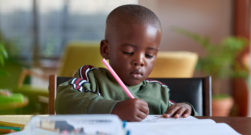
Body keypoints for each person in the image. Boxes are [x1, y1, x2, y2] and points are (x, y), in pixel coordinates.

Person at [55, 4, 197, 121]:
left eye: (149, 55)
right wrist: (114, 109)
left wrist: (186, 109)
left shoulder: (158, 91)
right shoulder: (91, 77)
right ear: (106, 50)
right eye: (129, 52)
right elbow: (63, 100)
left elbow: (176, 113)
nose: (139, 61)